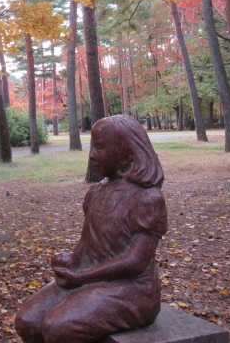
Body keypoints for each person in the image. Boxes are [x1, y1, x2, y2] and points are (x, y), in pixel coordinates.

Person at [15, 115, 167, 343]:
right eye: (92, 147)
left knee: (58, 327)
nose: (93, 155)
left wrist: (82, 276)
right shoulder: (96, 192)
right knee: (27, 321)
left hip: (132, 289)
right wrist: (72, 259)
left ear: (127, 151)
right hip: (87, 279)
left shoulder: (147, 198)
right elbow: (87, 244)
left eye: (100, 147)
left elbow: (136, 262)